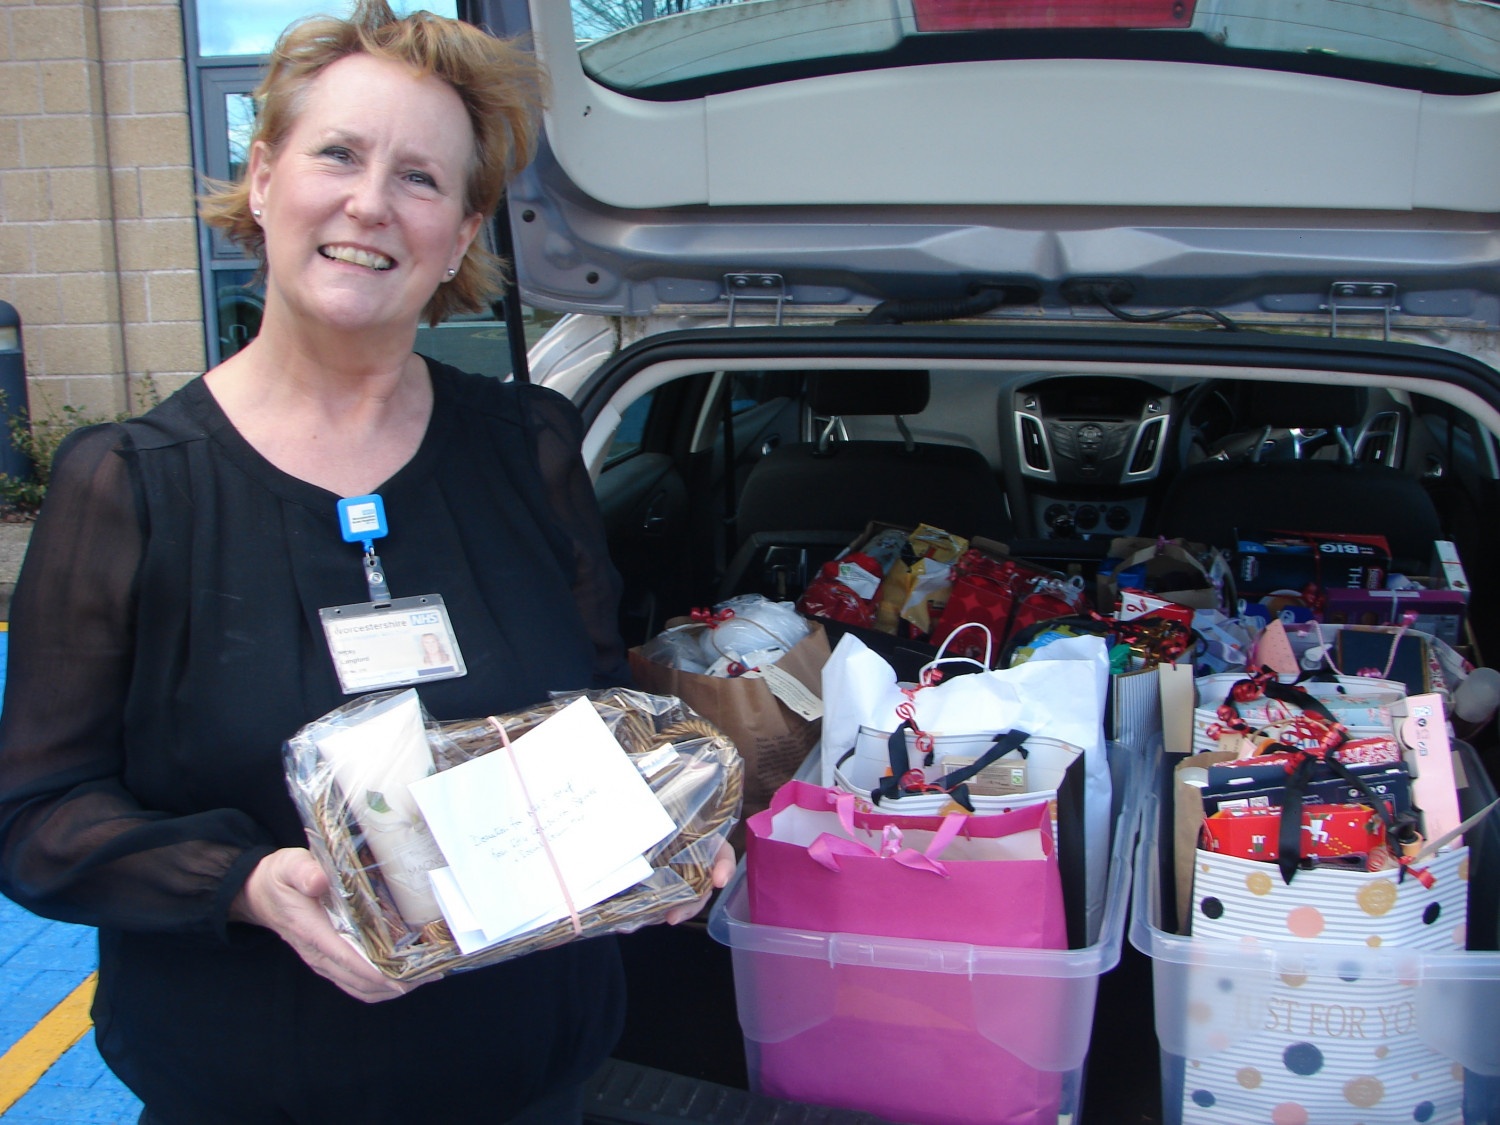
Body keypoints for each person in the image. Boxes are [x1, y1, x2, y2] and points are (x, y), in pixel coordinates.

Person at [0, 3, 731, 1123]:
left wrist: (662, 822)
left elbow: (598, 712)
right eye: (337, 152)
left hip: (531, 1079)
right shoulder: (130, 486)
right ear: (261, 177)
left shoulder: (526, 446)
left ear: (460, 234)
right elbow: (40, 819)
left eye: (421, 179)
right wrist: (245, 885)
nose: (369, 202)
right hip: (249, 1088)